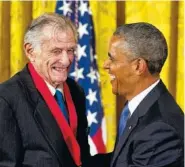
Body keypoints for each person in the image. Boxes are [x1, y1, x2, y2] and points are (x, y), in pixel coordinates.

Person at [0, 13, 91, 167]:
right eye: (56, 51)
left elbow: (82, 158)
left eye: (70, 50)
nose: (66, 60)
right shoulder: (7, 98)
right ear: (30, 51)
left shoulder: (76, 91)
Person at [103, 22, 184, 167]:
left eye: (112, 59)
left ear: (138, 66)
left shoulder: (160, 130)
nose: (105, 65)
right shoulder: (141, 103)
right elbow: (121, 159)